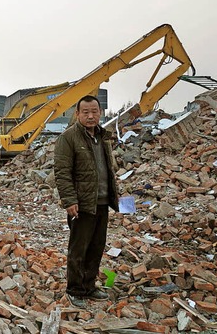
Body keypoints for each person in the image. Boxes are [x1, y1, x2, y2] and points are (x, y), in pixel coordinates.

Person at [54, 95, 119, 308]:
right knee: (78, 248)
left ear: (100, 113)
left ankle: (89, 285)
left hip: (101, 201)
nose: (90, 116)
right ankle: (75, 289)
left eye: (94, 112)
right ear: (77, 114)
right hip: (81, 204)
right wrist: (69, 200)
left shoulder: (103, 137)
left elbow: (107, 168)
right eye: (85, 112)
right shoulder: (69, 138)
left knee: (96, 246)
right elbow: (62, 172)